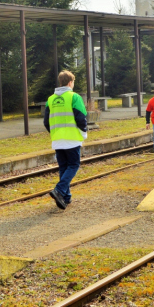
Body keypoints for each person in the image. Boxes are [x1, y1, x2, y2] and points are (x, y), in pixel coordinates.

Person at [44, 70, 88, 210]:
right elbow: (81, 118)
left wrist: (56, 132)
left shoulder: (50, 100)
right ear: (70, 82)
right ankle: (59, 190)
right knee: (73, 165)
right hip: (72, 138)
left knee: (64, 167)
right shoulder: (74, 97)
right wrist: (84, 133)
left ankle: (65, 197)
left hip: (57, 139)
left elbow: (46, 122)